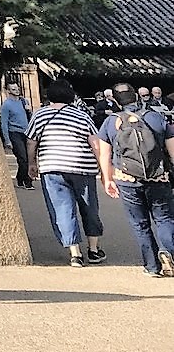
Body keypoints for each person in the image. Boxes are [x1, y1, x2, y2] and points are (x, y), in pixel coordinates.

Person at [97, 82, 174, 278]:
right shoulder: (156, 117)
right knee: (164, 219)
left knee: (140, 224)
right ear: (137, 96)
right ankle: (168, 252)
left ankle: (152, 266)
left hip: (127, 179)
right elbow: (172, 150)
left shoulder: (110, 122)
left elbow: (104, 154)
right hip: (158, 177)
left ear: (114, 100)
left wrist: (107, 179)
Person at [28, 80, 108, 266]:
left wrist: (32, 163)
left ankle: (75, 254)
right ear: (70, 96)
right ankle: (94, 250)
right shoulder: (82, 115)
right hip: (82, 166)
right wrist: (103, 169)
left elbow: (31, 141)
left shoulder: (39, 115)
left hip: (52, 167)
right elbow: (95, 143)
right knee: (89, 207)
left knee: (62, 209)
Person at [0, 83, 34, 188]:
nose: (16, 90)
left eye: (17, 88)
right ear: (8, 91)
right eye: (13, 89)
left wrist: (29, 111)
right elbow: (4, 123)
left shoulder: (24, 101)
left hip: (26, 132)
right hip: (14, 133)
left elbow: (31, 118)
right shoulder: (6, 105)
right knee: (22, 158)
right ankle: (27, 182)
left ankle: (20, 178)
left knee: (29, 157)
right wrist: (7, 140)